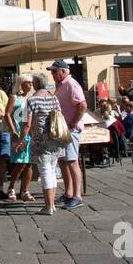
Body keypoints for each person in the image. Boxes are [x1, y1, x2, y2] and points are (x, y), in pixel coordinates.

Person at [17, 73, 61, 216]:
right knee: (52, 170)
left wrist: (21, 140)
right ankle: (52, 204)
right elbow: (59, 116)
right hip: (55, 138)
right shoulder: (54, 98)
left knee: (45, 171)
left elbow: (26, 124)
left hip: (40, 140)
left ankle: (48, 206)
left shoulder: (32, 100)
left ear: (35, 83)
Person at [50, 60, 87, 210]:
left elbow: (82, 105)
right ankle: (68, 193)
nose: (52, 74)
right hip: (63, 129)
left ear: (63, 71)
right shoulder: (61, 85)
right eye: (52, 72)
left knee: (72, 161)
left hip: (70, 129)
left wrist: (73, 123)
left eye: (54, 71)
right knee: (64, 162)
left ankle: (77, 196)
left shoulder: (71, 84)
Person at [4, 73, 35, 202]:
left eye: (31, 82)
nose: (30, 84)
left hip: (31, 133)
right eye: (28, 82)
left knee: (29, 164)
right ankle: (11, 187)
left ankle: (25, 191)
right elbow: (7, 114)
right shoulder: (14, 97)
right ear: (21, 84)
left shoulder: (33, 98)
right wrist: (12, 130)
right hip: (18, 132)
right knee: (20, 162)